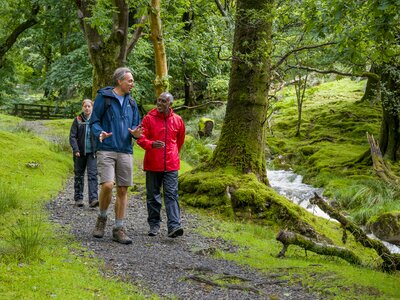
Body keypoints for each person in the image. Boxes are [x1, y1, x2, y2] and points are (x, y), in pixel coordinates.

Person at [90, 67, 142, 245]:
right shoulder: (103, 98)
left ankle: (118, 228)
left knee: (122, 189)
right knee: (107, 185)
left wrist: (136, 132)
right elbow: (94, 121)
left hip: (126, 149)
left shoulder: (132, 103)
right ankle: (102, 218)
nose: (132, 84)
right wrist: (100, 132)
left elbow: (137, 124)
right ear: (120, 81)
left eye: (132, 81)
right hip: (107, 148)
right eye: (130, 81)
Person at [137, 92, 186, 238]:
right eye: (158, 100)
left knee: (171, 194)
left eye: (163, 101)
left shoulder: (177, 120)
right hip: (153, 163)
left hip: (171, 164)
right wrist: (151, 144)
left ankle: (174, 226)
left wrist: (173, 154)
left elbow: (180, 141)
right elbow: (140, 138)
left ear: (170, 104)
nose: (159, 104)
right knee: (153, 195)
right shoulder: (148, 118)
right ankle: (154, 224)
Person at [69, 99, 98, 208]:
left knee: (92, 175)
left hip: (92, 153)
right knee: (79, 175)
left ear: (92, 107)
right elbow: (72, 136)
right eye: (85, 106)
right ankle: (78, 199)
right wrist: (76, 149)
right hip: (79, 153)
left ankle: (93, 199)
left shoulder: (96, 120)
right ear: (82, 107)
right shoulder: (77, 120)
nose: (87, 108)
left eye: (89, 106)